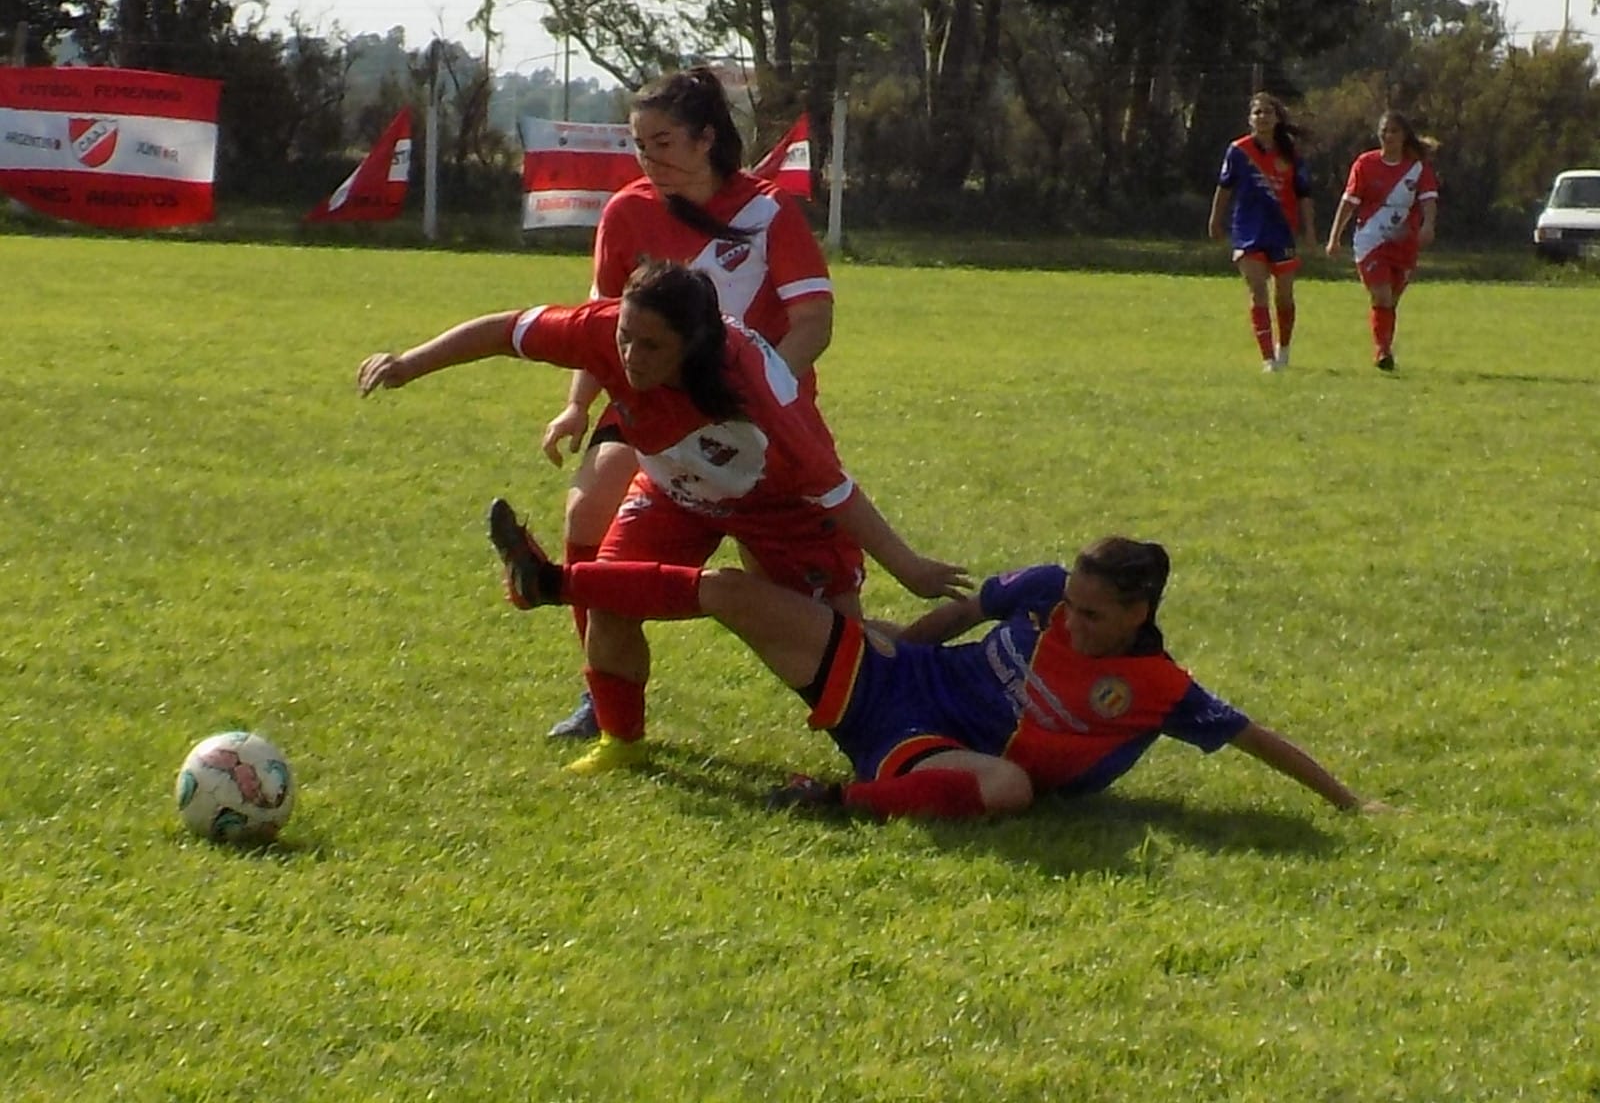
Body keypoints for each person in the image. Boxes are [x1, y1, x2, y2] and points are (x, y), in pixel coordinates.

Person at [358, 260, 968, 774]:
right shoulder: (601, 333)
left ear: (696, 344)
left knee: (838, 651)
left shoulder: (756, 385)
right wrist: (410, 363)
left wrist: (910, 567)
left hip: (784, 509)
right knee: (612, 597)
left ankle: (950, 665)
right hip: (676, 492)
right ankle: (620, 741)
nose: (629, 355)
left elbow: (835, 492)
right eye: (626, 335)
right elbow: (504, 330)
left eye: (650, 346)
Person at [489, 511, 1388, 819]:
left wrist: (1348, 800)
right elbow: (966, 608)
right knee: (729, 588)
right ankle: (551, 579)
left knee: (1009, 791)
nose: (1064, 618)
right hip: (887, 681)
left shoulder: (1160, 690)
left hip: (923, 749)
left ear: (1138, 614)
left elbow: (1255, 738)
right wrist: (894, 639)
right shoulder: (1043, 588)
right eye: (1064, 602)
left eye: (1088, 614)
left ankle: (832, 802)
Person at [542, 66, 836, 740]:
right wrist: (577, 406)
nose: (651, 160)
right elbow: (599, 323)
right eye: (641, 145)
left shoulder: (768, 215)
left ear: (707, 140)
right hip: (648, 405)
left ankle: (869, 690)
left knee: (794, 596)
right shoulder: (627, 211)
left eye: (664, 142)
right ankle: (601, 692)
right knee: (590, 503)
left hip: (756, 427)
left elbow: (814, 322)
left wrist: (765, 393)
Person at [1207, 93, 1316, 373]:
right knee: (1258, 291)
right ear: (1250, 119)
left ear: (1277, 118)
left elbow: (1304, 195)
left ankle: (1285, 349)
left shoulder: (1291, 154)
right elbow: (1224, 187)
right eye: (1257, 113)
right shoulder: (1239, 151)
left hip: (1282, 230)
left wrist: (1310, 231)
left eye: (1268, 112)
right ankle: (1268, 358)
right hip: (1248, 230)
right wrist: (1215, 220)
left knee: (1284, 295)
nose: (1262, 117)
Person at [1324, 110, 1440, 372]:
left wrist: (1428, 225)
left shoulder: (1417, 167)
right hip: (1371, 240)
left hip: (1404, 241)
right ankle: (1383, 352)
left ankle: (1384, 345)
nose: (1388, 136)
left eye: (1394, 131)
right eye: (1384, 131)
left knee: (1392, 300)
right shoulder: (1365, 164)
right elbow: (1348, 202)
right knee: (1381, 295)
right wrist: (1334, 237)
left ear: (1404, 136)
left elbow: (1429, 199)